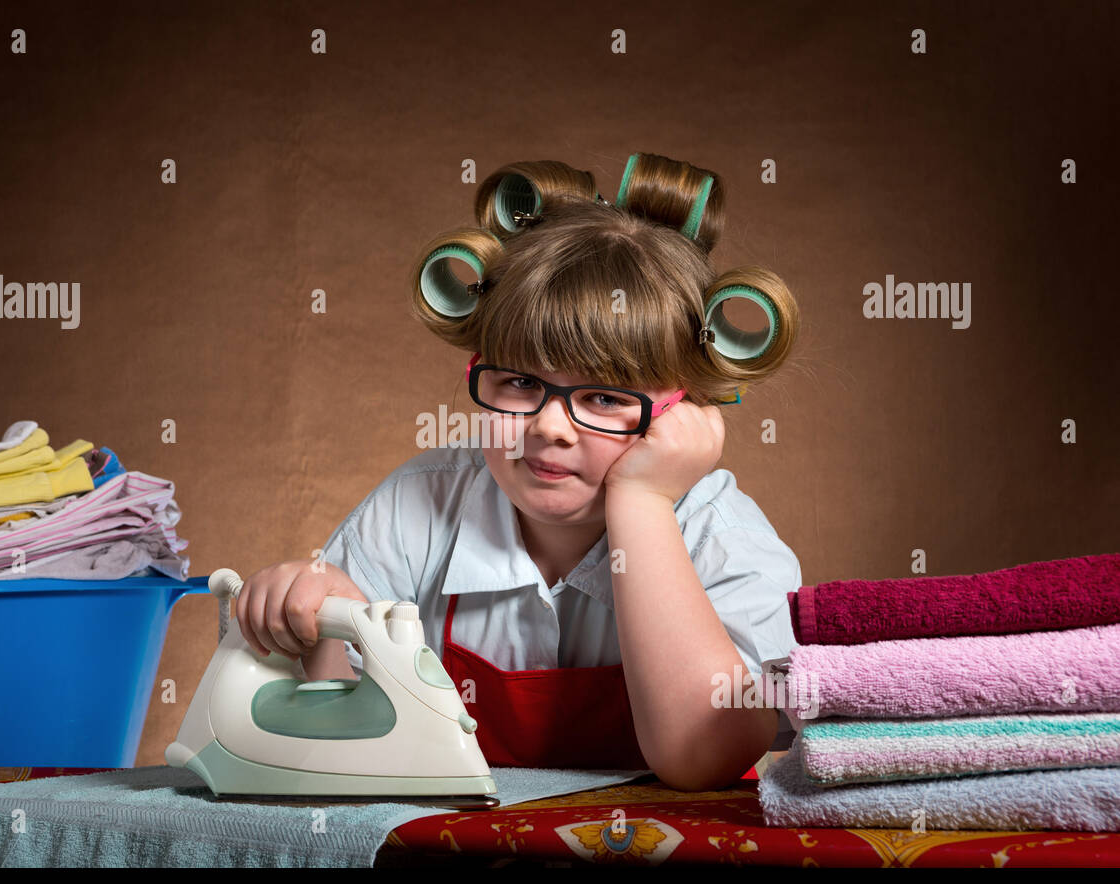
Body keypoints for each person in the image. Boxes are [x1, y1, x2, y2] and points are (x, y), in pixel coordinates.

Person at [234, 152, 802, 790]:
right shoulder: (413, 510)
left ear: (683, 416)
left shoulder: (723, 538)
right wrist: (310, 623)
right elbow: (335, 748)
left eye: (607, 397)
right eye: (520, 382)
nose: (549, 427)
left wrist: (642, 502)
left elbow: (701, 756)